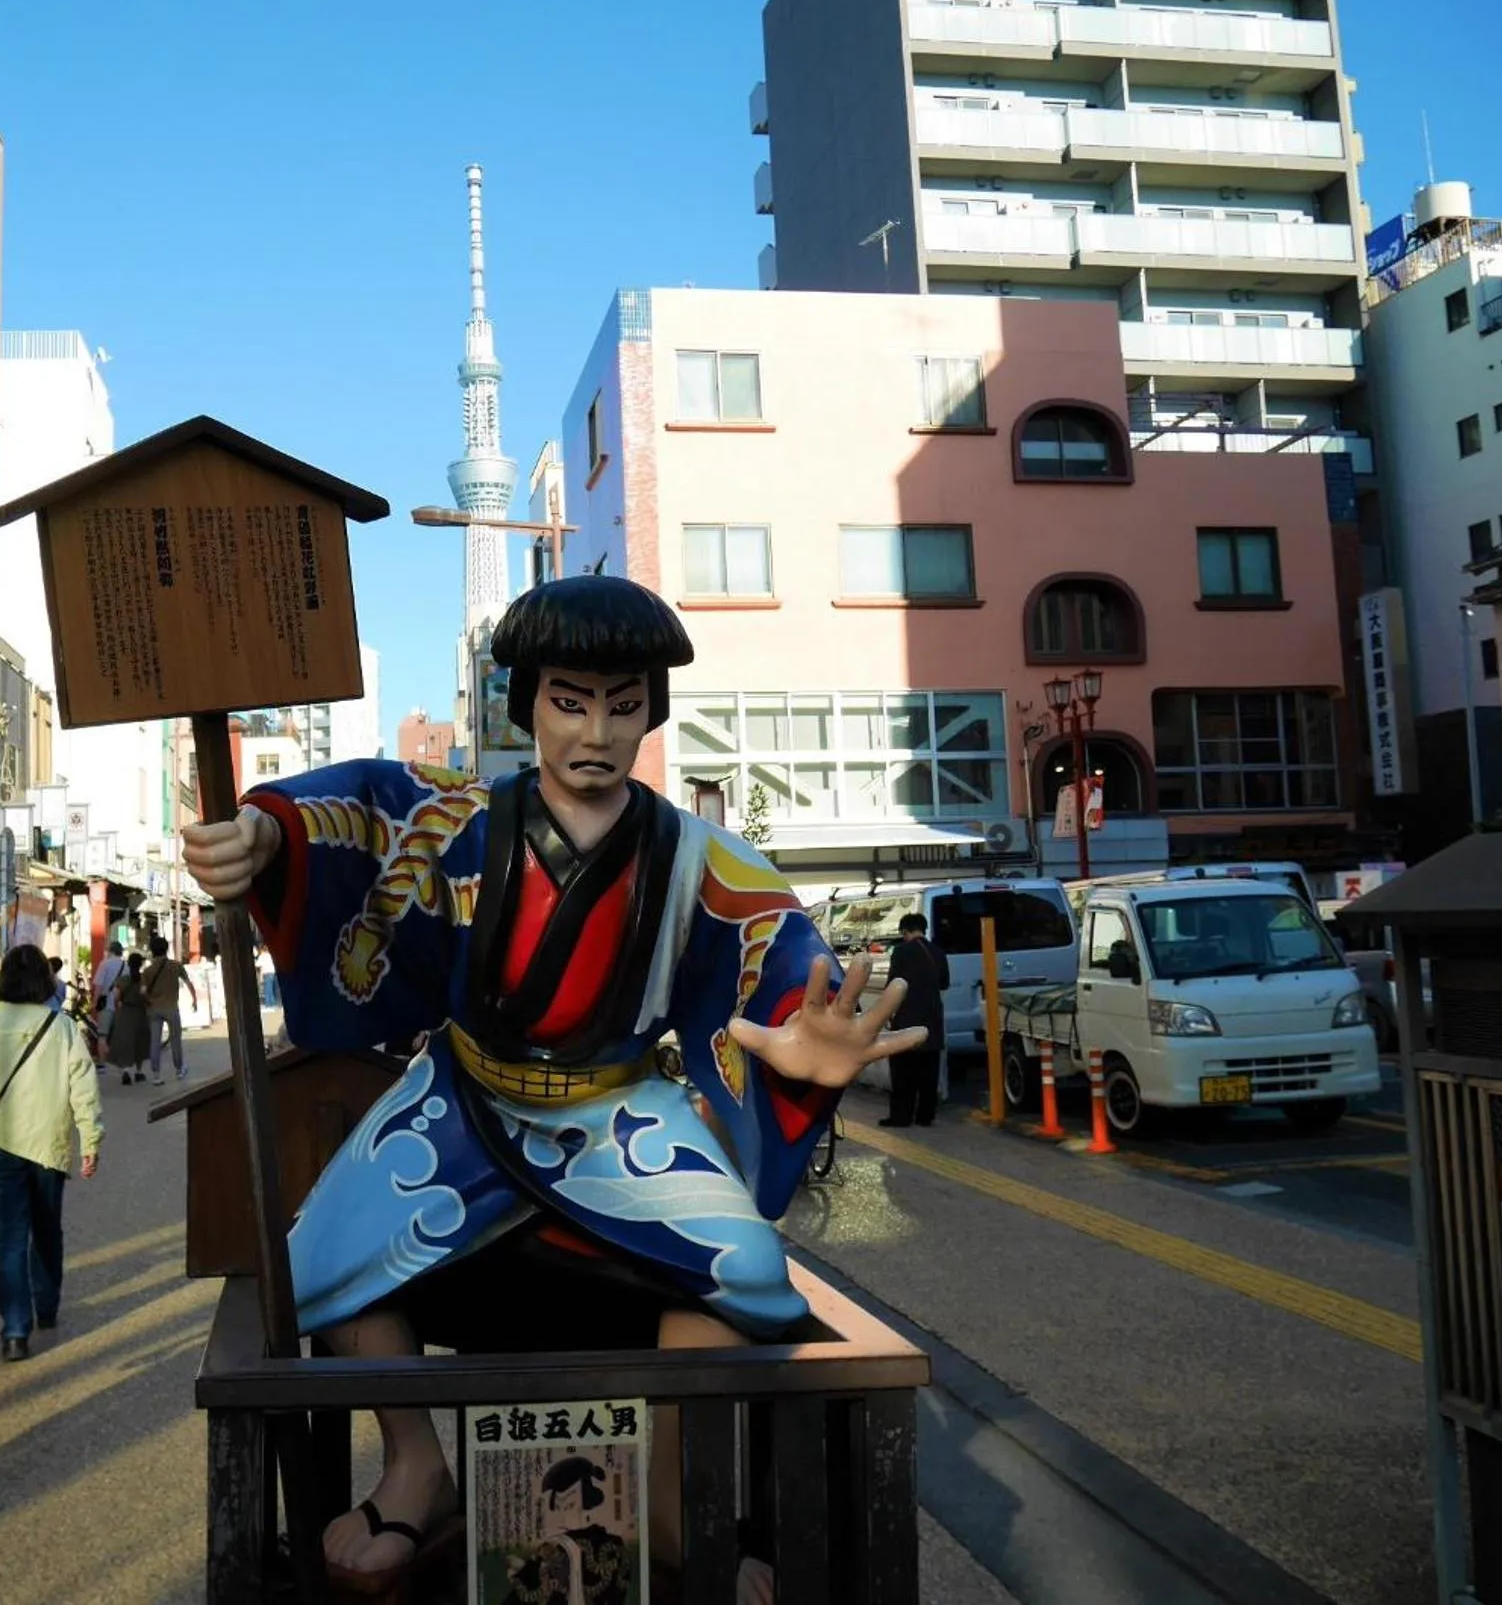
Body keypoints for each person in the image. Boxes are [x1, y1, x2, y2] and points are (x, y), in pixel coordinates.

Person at [182, 573, 925, 1596]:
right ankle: (415, 1466)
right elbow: (355, 811)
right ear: (526, 703)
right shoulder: (456, 819)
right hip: (463, 1098)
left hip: (617, 1108)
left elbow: (774, 950)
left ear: (651, 711)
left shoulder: (696, 856)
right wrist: (265, 838)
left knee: (745, 1271)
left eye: (624, 705)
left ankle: (669, 1497)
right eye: (570, 702)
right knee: (314, 1263)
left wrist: (800, 1046)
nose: (597, 733)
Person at [0, 944, 103, 1360]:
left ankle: (15, 1331)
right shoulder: (62, 1026)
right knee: (47, 1230)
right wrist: (90, 1139)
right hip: (48, 1143)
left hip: (2, 1142)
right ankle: (46, 1308)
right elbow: (84, 1085)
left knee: (11, 1236)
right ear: (46, 981)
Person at [882, 913, 949, 1129]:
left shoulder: (901, 952)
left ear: (905, 931)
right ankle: (925, 1116)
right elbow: (944, 983)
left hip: (906, 1019)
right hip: (932, 1019)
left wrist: (887, 1014)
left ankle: (901, 1117)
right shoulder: (938, 952)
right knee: (928, 1072)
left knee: (903, 1072)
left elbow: (893, 985)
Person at [138, 933, 198, 1085]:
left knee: (155, 1042)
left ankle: (156, 1075)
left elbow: (143, 992)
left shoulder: (147, 971)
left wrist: (148, 1002)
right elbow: (188, 982)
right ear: (166, 949)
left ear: (152, 951)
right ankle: (179, 1069)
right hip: (171, 1008)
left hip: (153, 1010)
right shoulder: (176, 966)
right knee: (176, 1039)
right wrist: (194, 999)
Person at [106, 946, 150, 1086]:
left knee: (125, 1042)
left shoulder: (123, 979)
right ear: (140, 965)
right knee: (139, 1042)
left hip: (125, 1013)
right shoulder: (143, 979)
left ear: (129, 964)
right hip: (140, 1013)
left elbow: (116, 996)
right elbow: (144, 996)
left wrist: (118, 1004)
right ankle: (138, 1072)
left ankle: (126, 1071)